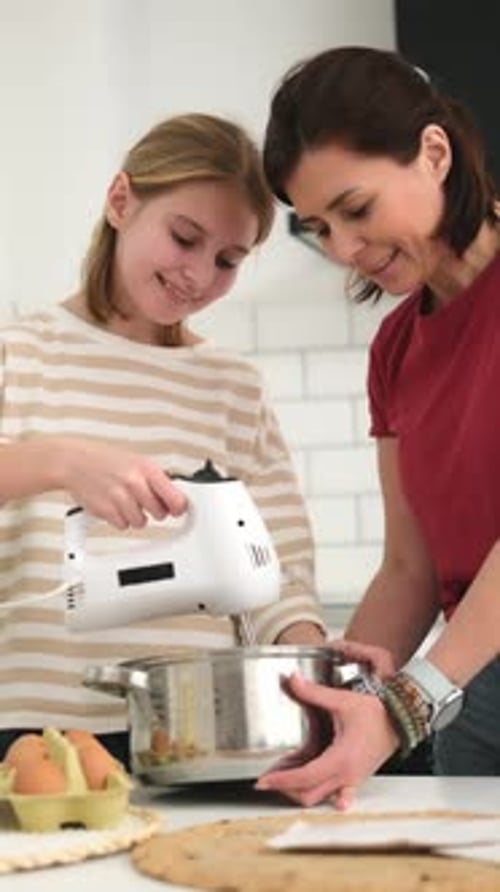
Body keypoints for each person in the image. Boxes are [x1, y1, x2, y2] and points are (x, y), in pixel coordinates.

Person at [0, 112, 327, 765]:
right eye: (185, 238)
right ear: (121, 201)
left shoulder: (233, 390)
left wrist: (312, 667)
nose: (199, 276)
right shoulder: (20, 356)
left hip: (197, 737)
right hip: (32, 736)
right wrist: (59, 461)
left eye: (228, 260)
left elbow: (280, 576)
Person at [255, 44, 500, 808]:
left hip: (452, 676)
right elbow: (409, 568)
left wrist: (404, 704)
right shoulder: (396, 347)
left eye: (355, 210)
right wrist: (331, 702)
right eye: (320, 227)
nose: (344, 250)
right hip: (479, 680)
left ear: (434, 153)